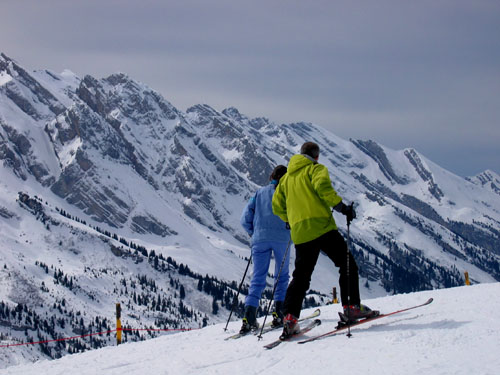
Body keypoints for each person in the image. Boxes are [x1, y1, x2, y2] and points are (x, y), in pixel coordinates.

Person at [272, 141, 376, 338]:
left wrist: (290, 219)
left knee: (301, 277)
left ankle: (290, 319)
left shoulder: (285, 180)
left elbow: (277, 206)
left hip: (301, 233)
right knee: (347, 264)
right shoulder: (315, 169)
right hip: (322, 227)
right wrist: (342, 208)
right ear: (316, 156)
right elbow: (323, 189)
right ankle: (351, 307)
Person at [239, 165, 291, 334]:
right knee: (281, 276)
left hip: (259, 239)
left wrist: (252, 232)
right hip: (282, 238)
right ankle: (278, 313)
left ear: (271, 177)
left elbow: (245, 217)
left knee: (257, 277)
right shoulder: (288, 193)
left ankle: (249, 316)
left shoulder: (259, 193)